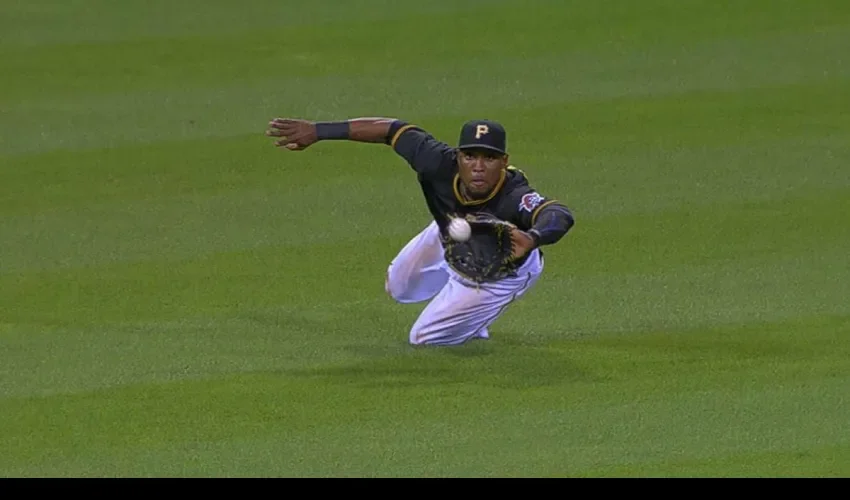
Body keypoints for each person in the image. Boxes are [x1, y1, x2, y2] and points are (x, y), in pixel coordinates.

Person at [265, 117, 575, 346]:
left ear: (504, 162)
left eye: (489, 158)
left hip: (501, 269)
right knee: (398, 288)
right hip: (452, 232)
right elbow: (391, 130)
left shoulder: (513, 195)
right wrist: (318, 132)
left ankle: (477, 315)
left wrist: (531, 238)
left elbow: (557, 214)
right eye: (470, 156)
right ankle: (460, 296)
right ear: (458, 156)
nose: (478, 166)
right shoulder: (435, 161)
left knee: (423, 339)